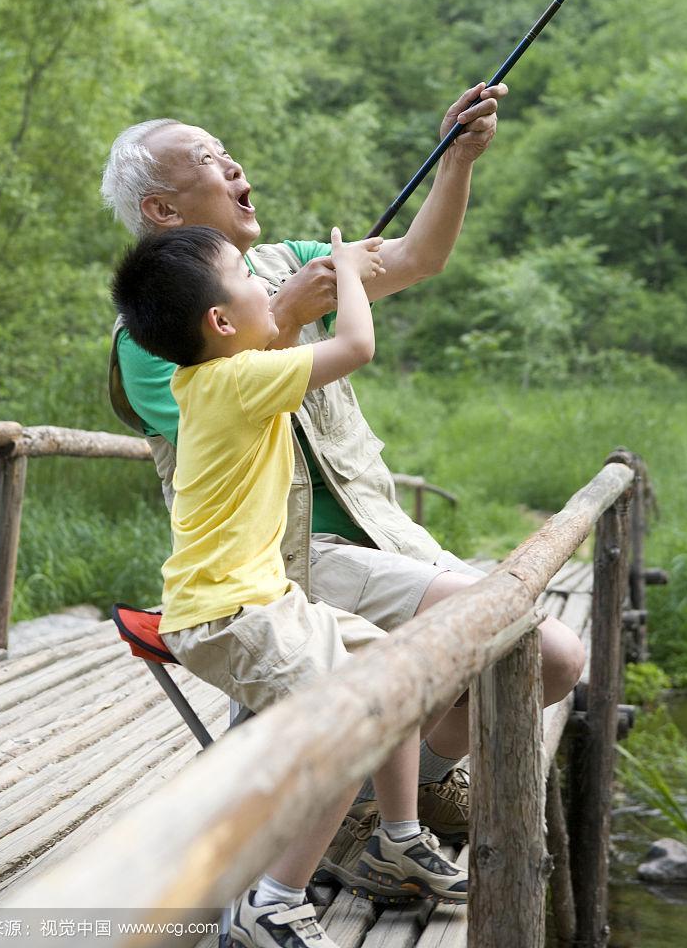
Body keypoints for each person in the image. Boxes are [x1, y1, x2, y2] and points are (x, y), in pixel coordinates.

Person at [101, 83, 585, 854]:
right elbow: (221, 404)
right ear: (162, 209)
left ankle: (403, 790)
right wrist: (286, 313)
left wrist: (456, 161)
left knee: (547, 659)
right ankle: (370, 817)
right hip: (283, 566)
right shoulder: (150, 342)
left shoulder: (291, 261)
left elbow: (419, 256)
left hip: (376, 534)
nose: (230, 162)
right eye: (206, 157)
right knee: (542, 645)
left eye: (226, 149)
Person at [111, 225, 468, 948]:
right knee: (352, 721)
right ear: (220, 320)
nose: (266, 286)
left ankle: (398, 833)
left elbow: (279, 342)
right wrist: (348, 275)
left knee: (396, 672)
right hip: (227, 614)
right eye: (249, 278)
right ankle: (272, 901)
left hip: (262, 598)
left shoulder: (221, 373)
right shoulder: (235, 380)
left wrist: (292, 306)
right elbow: (357, 350)